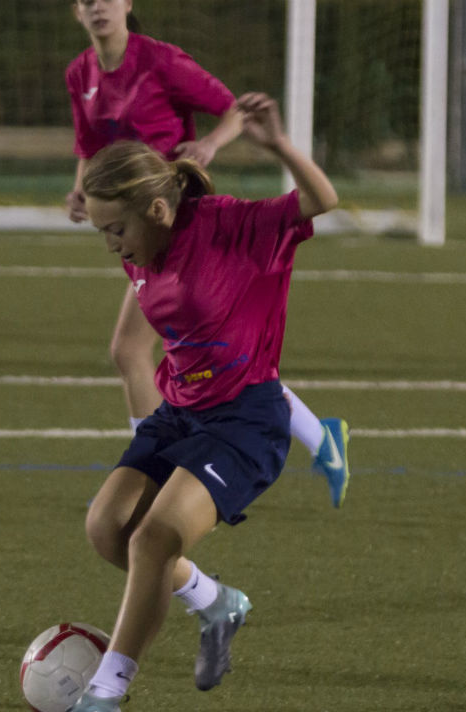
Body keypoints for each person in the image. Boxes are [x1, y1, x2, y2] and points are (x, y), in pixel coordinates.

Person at [33, 92, 338, 712]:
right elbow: (134, 346)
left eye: (116, 229)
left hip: (245, 423)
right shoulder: (141, 251)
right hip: (181, 414)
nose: (112, 245)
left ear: (160, 208)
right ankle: (215, 600)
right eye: (102, 232)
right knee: (107, 530)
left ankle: (105, 701)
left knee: (155, 537)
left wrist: (279, 146)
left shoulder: (228, 225)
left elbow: (321, 201)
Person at [64, 0, 350, 506]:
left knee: (137, 350)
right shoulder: (80, 74)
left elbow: (234, 108)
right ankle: (319, 437)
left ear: (128, 4)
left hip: (176, 230)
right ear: (75, 11)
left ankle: (152, 466)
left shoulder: (162, 61)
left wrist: (212, 144)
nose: (98, 7)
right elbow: (89, 147)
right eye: (87, 0)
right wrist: (83, 192)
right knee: (195, 352)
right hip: (135, 232)